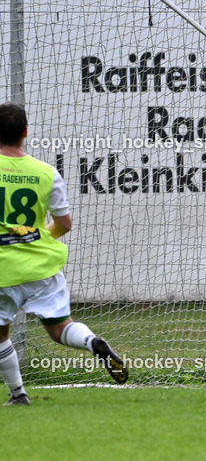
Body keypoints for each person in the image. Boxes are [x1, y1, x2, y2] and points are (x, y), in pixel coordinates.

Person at [0, 102, 127, 405]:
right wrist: (37, 237)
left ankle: (18, 394)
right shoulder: (46, 172)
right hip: (42, 266)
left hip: (3, 268)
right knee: (60, 329)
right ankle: (92, 341)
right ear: (26, 133)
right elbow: (64, 224)